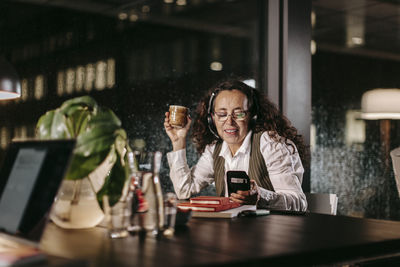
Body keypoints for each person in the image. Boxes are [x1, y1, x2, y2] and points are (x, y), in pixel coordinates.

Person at [164, 79, 307, 211]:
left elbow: (299, 202)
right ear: (212, 118)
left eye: (239, 114)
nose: (229, 122)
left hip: (269, 233)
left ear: (252, 116)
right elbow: (184, 191)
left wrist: (260, 197)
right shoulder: (215, 149)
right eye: (221, 114)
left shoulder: (270, 144)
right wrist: (178, 142)